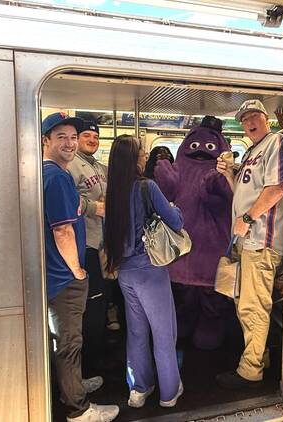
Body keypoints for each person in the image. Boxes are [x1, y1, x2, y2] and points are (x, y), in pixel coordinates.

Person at [41, 112, 119, 422]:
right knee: (70, 342)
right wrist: (77, 269)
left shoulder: (50, 173)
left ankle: (71, 385)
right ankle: (78, 409)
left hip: (57, 273)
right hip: (64, 276)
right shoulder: (59, 177)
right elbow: (62, 230)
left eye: (73, 137)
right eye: (61, 137)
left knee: (66, 340)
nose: (70, 143)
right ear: (45, 140)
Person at [104, 135, 184, 408]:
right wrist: (175, 208)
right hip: (150, 270)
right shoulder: (147, 187)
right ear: (135, 159)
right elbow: (174, 221)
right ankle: (169, 393)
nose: (145, 155)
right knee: (163, 333)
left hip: (126, 273)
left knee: (136, 332)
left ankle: (139, 390)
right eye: (142, 152)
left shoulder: (112, 191)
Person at [215, 99, 283, 389]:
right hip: (246, 238)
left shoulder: (277, 143)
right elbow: (244, 191)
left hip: (262, 239)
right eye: (245, 119)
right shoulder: (251, 152)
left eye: (255, 116)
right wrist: (228, 175)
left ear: (266, 118)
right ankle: (261, 357)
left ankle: (250, 371)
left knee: (253, 306)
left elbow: (277, 187)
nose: (250, 122)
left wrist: (247, 217)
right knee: (246, 303)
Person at [154, 116, 235, 351]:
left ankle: (208, 328)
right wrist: (163, 173)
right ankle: (188, 326)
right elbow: (166, 192)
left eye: (210, 147)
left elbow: (227, 199)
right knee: (185, 298)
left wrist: (216, 183)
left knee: (211, 300)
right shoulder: (179, 170)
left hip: (208, 249)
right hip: (183, 248)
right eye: (196, 145)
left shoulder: (222, 175)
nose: (201, 150)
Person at [66, 121, 117, 376]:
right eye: (86, 135)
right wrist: (92, 207)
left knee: (101, 299)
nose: (92, 139)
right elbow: (65, 197)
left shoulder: (97, 165)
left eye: (95, 136)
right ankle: (88, 365)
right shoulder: (71, 164)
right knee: (91, 305)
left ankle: (97, 354)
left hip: (99, 242)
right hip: (83, 243)